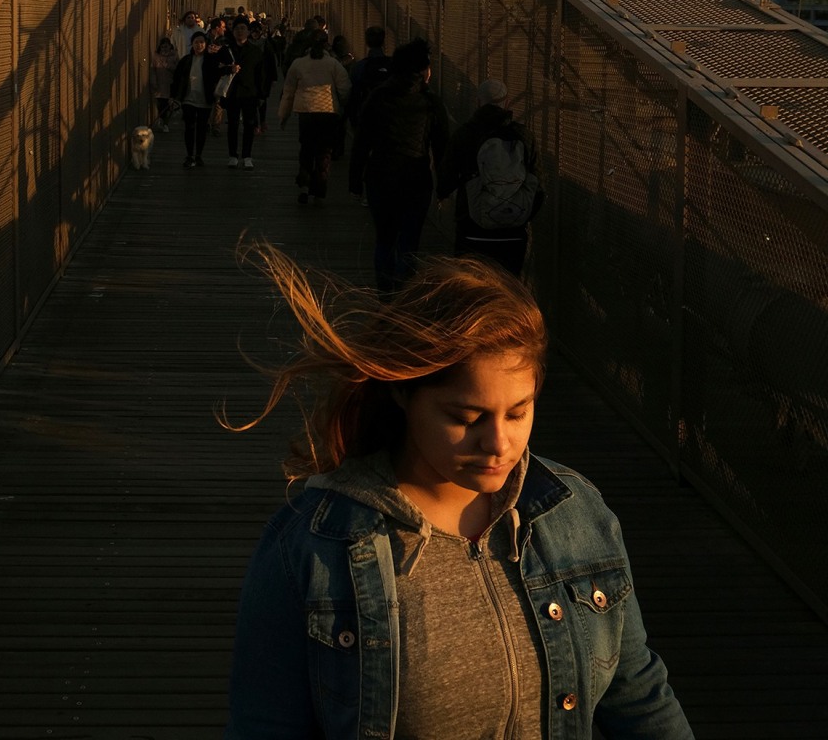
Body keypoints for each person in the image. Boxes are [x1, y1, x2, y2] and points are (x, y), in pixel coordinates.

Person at [226, 248, 695, 740]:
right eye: (465, 418)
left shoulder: (574, 513)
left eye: (518, 412)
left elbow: (639, 694)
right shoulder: (310, 548)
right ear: (403, 392)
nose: (498, 443)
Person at [351, 38, 449, 294]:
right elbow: (441, 147)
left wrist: (354, 180)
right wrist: (445, 187)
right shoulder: (431, 103)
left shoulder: (378, 97)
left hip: (380, 176)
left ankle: (385, 295)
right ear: (423, 70)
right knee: (409, 241)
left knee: (385, 239)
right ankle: (404, 294)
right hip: (415, 179)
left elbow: (362, 141)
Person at [439, 78, 543, 276]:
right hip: (513, 231)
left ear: (478, 102)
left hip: (472, 227)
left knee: (471, 285)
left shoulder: (465, 134)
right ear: (507, 102)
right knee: (507, 289)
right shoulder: (523, 136)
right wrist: (523, 215)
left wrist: (442, 194)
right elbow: (538, 182)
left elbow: (447, 176)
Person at [277, 29, 350, 205]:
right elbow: (345, 88)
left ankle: (304, 185)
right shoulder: (333, 64)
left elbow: (288, 92)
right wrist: (341, 107)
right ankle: (319, 191)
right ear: (327, 44)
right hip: (328, 112)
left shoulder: (298, 64)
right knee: (324, 152)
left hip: (306, 113)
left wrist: (283, 115)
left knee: (307, 149)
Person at [345, 26, 394, 199]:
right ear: (384, 41)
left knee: (364, 152)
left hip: (366, 116)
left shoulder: (360, 67)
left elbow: (353, 93)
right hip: (391, 118)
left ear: (366, 42)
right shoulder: (393, 65)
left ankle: (365, 190)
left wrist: (351, 118)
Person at [170, 31, 227, 167]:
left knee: (202, 128)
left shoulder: (211, 60)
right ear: (192, 44)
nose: (199, 45)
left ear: (206, 44)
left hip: (205, 98)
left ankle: (199, 155)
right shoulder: (186, 60)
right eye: (196, 42)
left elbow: (222, 68)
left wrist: (220, 53)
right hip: (188, 98)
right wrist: (173, 97)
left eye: (202, 42)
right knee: (189, 126)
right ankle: (189, 155)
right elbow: (176, 79)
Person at [221, 17, 269, 168]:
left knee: (249, 125)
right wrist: (229, 69)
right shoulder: (226, 50)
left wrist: (262, 95)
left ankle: (247, 156)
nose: (240, 31)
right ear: (232, 31)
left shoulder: (255, 51)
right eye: (237, 29)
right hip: (232, 93)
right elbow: (217, 70)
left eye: (243, 28)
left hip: (250, 93)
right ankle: (233, 155)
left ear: (248, 31)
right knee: (233, 125)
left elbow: (261, 75)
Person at [150, 37, 179, 132]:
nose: (164, 49)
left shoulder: (174, 56)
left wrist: (169, 66)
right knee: (160, 104)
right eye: (162, 47)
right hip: (159, 83)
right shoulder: (156, 56)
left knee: (168, 105)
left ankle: (165, 123)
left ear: (170, 47)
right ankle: (162, 120)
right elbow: (153, 69)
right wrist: (153, 81)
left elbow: (177, 69)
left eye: (166, 47)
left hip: (170, 83)